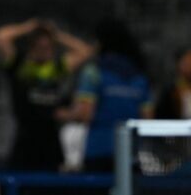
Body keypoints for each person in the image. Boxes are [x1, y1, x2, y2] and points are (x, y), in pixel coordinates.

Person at [0, 17, 92, 171]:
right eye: (40, 47)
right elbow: (0, 37)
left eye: (48, 47)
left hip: (51, 143)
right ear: (32, 47)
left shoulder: (57, 67)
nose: (44, 51)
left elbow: (84, 51)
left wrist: (56, 34)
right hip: (24, 141)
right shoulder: (19, 65)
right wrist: (28, 27)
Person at [56, 18, 153, 172]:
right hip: (131, 152)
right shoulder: (139, 76)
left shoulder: (94, 72)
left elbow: (85, 114)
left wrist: (59, 114)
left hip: (99, 152)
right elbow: (148, 118)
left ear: (101, 42)